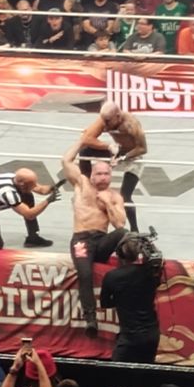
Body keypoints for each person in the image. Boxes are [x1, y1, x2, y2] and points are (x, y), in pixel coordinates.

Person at [62, 139, 127, 338]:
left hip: (101, 241)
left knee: (124, 235)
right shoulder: (81, 184)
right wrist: (80, 142)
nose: (103, 177)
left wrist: (108, 204)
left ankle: (128, 275)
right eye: (99, 173)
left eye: (107, 173)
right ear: (92, 174)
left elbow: (120, 225)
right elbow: (66, 160)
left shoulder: (114, 196)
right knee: (85, 275)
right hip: (81, 240)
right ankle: (91, 318)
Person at [78, 102, 147, 231]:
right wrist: (109, 146)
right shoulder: (106, 118)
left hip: (133, 155)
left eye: (108, 121)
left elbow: (143, 148)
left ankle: (134, 230)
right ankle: (86, 185)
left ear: (118, 116)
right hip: (117, 150)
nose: (105, 124)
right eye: (104, 120)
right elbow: (86, 138)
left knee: (125, 196)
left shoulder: (131, 124)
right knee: (84, 152)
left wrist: (124, 157)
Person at [100, 234, 162, 364]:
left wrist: (121, 299)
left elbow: (104, 303)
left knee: (116, 375)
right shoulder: (151, 272)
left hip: (130, 336)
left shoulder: (113, 276)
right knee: (145, 373)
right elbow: (156, 261)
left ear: (120, 254)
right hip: (152, 334)